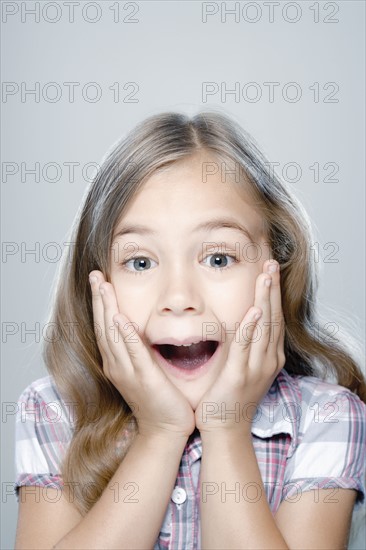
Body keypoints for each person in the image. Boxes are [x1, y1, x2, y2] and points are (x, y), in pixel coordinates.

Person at [14, 111, 366, 549]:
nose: (179, 296)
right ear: (97, 284)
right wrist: (159, 433)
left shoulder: (327, 417)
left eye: (219, 259)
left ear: (275, 268)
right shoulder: (54, 412)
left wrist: (226, 428)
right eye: (140, 262)